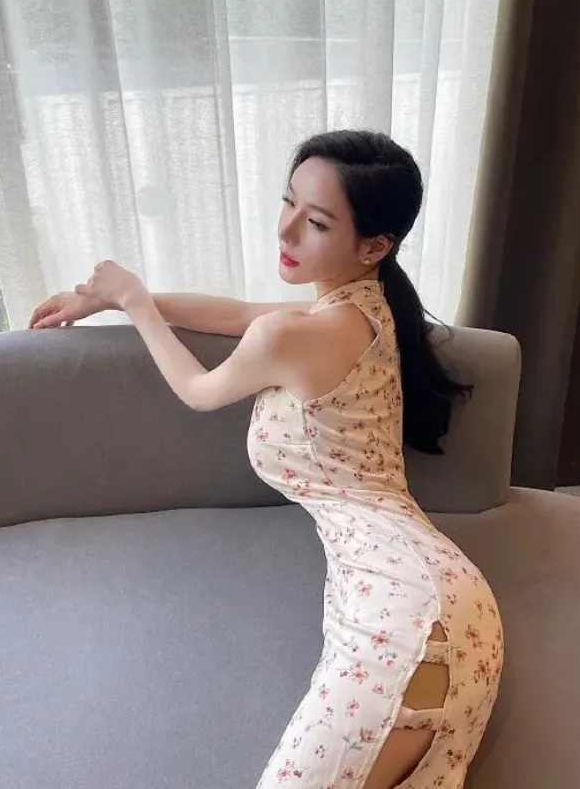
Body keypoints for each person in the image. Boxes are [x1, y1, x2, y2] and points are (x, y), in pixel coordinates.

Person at [29, 130, 504, 789]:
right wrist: (110, 297)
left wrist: (133, 298)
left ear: (374, 246)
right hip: (444, 605)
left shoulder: (301, 333)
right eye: (287, 202)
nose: (285, 228)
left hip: (408, 619)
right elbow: (236, 313)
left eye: (316, 222)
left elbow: (198, 390)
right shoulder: (361, 308)